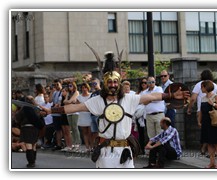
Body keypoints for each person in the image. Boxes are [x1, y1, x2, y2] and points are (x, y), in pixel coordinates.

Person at [41, 51, 189, 168]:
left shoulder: (129, 99)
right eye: (109, 82)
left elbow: (151, 97)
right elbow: (75, 107)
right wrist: (51, 111)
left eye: (115, 82)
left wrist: (170, 95)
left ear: (118, 84)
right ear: (105, 84)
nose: (112, 85)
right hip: (106, 153)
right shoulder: (98, 101)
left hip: (125, 151)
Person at [187, 69, 217, 155]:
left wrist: (189, 108)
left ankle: (205, 149)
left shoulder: (199, 85)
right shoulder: (215, 85)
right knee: (210, 130)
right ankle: (207, 149)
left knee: (205, 131)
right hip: (212, 110)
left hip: (201, 110)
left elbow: (193, 98)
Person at [200, 80, 217, 168]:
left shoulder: (216, 96)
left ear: (206, 87)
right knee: (209, 143)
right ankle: (212, 163)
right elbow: (201, 111)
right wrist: (199, 121)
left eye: (202, 86)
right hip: (206, 123)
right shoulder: (203, 98)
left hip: (214, 123)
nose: (201, 88)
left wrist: (213, 104)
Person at [15, 96, 43, 168]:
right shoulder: (36, 109)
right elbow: (40, 118)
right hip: (35, 128)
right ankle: (33, 161)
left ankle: (31, 162)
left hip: (26, 128)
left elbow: (17, 118)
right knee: (33, 145)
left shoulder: (24, 109)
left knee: (29, 145)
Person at [63, 82, 81, 151]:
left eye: (71, 86)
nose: (69, 87)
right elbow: (65, 101)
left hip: (75, 111)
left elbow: (69, 100)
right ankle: (73, 143)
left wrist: (68, 101)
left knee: (75, 127)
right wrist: (69, 101)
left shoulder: (76, 92)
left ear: (74, 86)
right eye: (69, 86)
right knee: (71, 128)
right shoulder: (68, 93)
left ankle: (78, 142)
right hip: (69, 111)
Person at [77, 82, 93, 152]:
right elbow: (78, 106)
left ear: (88, 88)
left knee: (90, 132)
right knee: (85, 132)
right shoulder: (79, 97)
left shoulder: (91, 95)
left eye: (85, 87)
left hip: (89, 116)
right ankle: (87, 147)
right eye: (82, 88)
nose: (84, 89)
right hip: (82, 116)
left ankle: (91, 146)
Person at [89, 78, 101, 147]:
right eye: (92, 84)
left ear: (99, 83)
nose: (93, 85)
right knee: (94, 131)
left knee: (100, 131)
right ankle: (95, 145)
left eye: (95, 83)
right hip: (92, 114)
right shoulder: (93, 94)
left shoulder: (101, 92)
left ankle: (100, 144)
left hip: (99, 114)